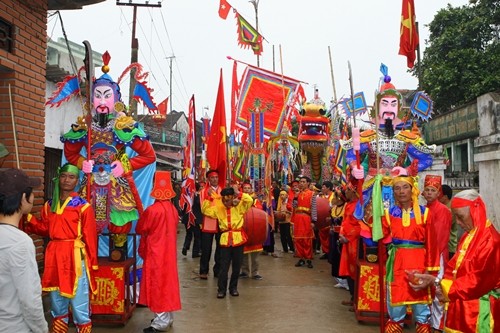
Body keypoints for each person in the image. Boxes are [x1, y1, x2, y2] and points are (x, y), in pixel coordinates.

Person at [60, 56, 156, 258]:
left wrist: (125, 165)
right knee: (85, 225)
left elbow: (148, 155)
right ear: (91, 101)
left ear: (116, 100)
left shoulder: (124, 127)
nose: (102, 102)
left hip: (116, 185)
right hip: (90, 185)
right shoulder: (84, 127)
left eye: (107, 96)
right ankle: (86, 266)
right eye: (98, 96)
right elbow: (70, 152)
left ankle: (116, 266)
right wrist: (81, 163)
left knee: (120, 226)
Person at [411, 189, 500, 333]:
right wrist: (438, 285)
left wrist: (437, 282)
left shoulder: (491, 241)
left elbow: (476, 282)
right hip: (459, 306)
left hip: (478, 313)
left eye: (460, 217)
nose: (458, 222)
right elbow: (453, 267)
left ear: (475, 212)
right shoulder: (468, 236)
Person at [24, 164, 98, 333]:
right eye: (63, 176)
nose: (66, 180)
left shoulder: (83, 206)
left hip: (74, 257)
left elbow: (90, 237)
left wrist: (92, 264)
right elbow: (44, 229)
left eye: (71, 177)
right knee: (56, 301)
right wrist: (28, 218)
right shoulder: (49, 205)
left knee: (79, 303)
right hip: (54, 255)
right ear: (59, 178)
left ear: (77, 181)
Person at [378, 175, 439, 333]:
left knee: (421, 309)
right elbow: (377, 234)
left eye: (405, 187)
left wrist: (430, 271)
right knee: (396, 307)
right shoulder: (389, 213)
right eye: (397, 188)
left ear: (413, 190)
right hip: (397, 264)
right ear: (393, 192)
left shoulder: (425, 213)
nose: (401, 191)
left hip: (419, 265)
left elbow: (432, 245)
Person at [0, 168, 47, 333]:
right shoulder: (20, 243)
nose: (33, 197)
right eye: (31, 193)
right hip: (14, 327)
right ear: (23, 198)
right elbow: (30, 299)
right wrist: (42, 329)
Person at [136, 171, 181, 333]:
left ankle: (160, 322)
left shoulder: (153, 210)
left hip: (156, 252)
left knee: (158, 285)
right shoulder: (173, 210)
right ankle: (166, 318)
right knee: (167, 284)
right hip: (168, 252)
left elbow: (142, 227)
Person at [202, 187, 253, 298]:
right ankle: (221, 290)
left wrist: (239, 193)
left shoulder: (239, 207)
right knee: (223, 266)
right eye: (224, 201)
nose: (226, 203)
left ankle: (233, 288)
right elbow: (205, 210)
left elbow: (249, 200)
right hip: (225, 239)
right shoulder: (218, 209)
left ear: (233, 198)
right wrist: (208, 198)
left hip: (238, 239)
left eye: (228, 200)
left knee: (236, 266)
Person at [422, 175, 452, 332]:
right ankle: (430, 322)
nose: (429, 193)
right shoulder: (424, 209)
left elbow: (440, 237)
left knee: (437, 287)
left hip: (437, 255)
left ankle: (438, 325)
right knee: (428, 288)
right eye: (426, 190)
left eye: (432, 190)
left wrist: (431, 257)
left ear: (438, 192)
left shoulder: (443, 211)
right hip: (427, 254)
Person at [338, 182, 361, 310]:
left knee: (355, 271)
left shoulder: (359, 205)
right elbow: (344, 221)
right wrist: (341, 234)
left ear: (353, 191)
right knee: (348, 270)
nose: (345, 192)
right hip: (346, 241)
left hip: (354, 242)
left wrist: (349, 237)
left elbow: (360, 225)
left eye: (347, 190)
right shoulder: (348, 205)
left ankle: (357, 300)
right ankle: (353, 297)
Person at [199, 169, 222, 279]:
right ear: (208, 179)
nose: (215, 179)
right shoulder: (203, 191)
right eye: (212, 177)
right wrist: (216, 213)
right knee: (206, 249)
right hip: (208, 223)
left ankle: (217, 270)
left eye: (216, 177)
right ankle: (203, 271)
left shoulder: (222, 190)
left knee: (220, 249)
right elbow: (203, 209)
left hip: (221, 224)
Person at [240, 181, 264, 280]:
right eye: (245, 188)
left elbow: (260, 211)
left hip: (255, 229)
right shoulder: (239, 200)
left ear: (251, 190)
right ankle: (245, 271)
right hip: (243, 228)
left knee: (255, 254)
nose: (247, 190)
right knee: (243, 253)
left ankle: (255, 272)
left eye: (248, 188)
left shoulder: (256, 201)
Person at [292, 176, 317, 269]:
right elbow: (294, 206)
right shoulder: (297, 194)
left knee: (307, 239)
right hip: (298, 218)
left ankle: (308, 258)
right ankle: (301, 258)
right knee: (298, 239)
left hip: (306, 218)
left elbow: (314, 208)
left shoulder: (312, 194)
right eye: (300, 182)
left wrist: (313, 220)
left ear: (308, 183)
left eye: (303, 182)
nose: (301, 183)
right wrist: (295, 197)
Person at [181, 182, 202, 258]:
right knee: (197, 236)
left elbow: (183, 208)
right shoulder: (198, 197)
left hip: (187, 218)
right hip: (195, 219)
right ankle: (195, 252)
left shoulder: (187, 197)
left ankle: (185, 247)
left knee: (188, 234)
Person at [439, 184, 459, 259]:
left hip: (449, 247)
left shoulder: (450, 209)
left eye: (439, 194)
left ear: (445, 197)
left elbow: (443, 226)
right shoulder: (443, 207)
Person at [318, 181, 335, 259]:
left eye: (324, 187)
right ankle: (326, 252)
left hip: (331, 220)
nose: (322, 189)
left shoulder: (334, 196)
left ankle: (331, 252)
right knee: (323, 237)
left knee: (330, 237)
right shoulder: (320, 197)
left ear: (328, 188)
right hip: (322, 221)